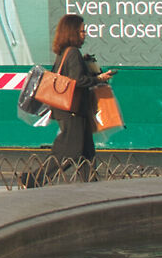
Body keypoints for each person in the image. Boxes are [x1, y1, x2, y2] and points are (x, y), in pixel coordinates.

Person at [27, 14, 104, 183]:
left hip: (69, 109)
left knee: (86, 151)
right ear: (72, 32)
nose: (85, 34)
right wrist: (99, 79)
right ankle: (33, 179)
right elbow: (78, 81)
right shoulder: (73, 52)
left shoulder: (64, 52)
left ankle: (91, 184)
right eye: (82, 31)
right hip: (72, 110)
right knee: (70, 150)